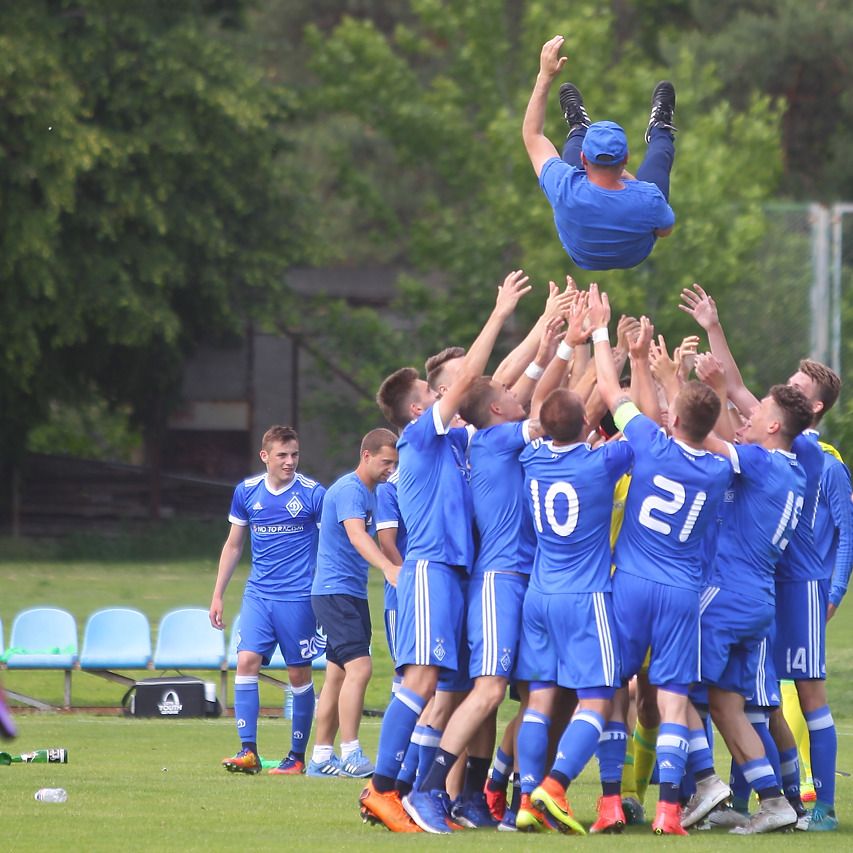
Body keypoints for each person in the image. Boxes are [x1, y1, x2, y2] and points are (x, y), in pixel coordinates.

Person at [359, 269, 531, 834]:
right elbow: (470, 383)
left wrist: (548, 339)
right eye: (432, 394)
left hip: (457, 574)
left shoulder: (460, 438)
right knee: (423, 683)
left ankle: (408, 790)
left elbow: (496, 388)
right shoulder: (420, 438)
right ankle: (384, 789)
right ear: (416, 410)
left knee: (444, 689)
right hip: (431, 569)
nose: (443, 398)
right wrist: (500, 313)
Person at [680, 284, 845, 832]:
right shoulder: (782, 453)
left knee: (800, 699)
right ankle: (771, 801)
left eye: (795, 387)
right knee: (749, 700)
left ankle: (812, 803)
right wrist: (712, 327)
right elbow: (738, 397)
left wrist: (834, 592)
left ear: (808, 409)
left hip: (793, 586)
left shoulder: (810, 456)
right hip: (762, 586)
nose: (772, 394)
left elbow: (731, 412)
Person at [587, 286, 733, 835]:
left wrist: (606, 333)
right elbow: (709, 434)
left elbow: (608, 388)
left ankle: (608, 804)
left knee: (610, 690)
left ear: (672, 420)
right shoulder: (720, 470)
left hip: (630, 583)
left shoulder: (649, 442)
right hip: (681, 592)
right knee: (673, 700)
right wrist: (681, 381)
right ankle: (670, 810)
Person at [210, 425, 326, 776]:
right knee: (246, 662)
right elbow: (233, 545)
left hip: (298, 597)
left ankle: (296, 756)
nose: (289, 462)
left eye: (294, 455)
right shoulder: (246, 492)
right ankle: (248, 751)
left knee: (297, 672)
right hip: (259, 594)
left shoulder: (312, 494)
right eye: (282, 455)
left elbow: (331, 545)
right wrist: (217, 594)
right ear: (265, 457)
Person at [523, 36, 676, 271]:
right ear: (625, 160)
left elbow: (533, 136)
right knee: (659, 158)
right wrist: (628, 181)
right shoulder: (649, 198)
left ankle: (579, 129)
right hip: (633, 255)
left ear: (585, 159)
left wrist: (544, 77)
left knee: (571, 167)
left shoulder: (565, 186)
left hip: (583, 256)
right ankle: (661, 128)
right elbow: (664, 231)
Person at [309, 428, 401, 779]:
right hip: (334, 592)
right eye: (384, 462)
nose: (390, 469)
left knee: (336, 675)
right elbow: (357, 534)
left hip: (350, 592)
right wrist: (387, 568)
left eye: (394, 463)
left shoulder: (372, 493)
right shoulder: (350, 490)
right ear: (366, 455)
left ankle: (320, 756)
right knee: (361, 669)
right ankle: (351, 752)